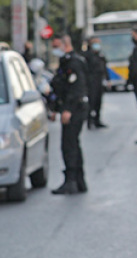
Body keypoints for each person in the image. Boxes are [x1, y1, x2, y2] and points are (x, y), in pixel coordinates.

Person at [48, 33, 90, 194]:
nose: (54, 50)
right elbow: (61, 87)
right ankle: (79, 181)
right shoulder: (66, 62)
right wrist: (55, 108)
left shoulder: (73, 63)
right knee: (73, 144)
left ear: (65, 45)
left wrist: (67, 110)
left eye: (56, 46)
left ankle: (71, 181)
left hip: (75, 109)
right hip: (72, 108)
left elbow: (76, 89)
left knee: (69, 145)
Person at [85, 37, 108, 129]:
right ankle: (90, 121)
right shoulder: (87, 56)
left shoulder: (100, 55)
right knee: (91, 102)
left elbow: (104, 68)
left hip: (99, 81)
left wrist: (107, 79)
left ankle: (97, 120)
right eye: (95, 43)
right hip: (91, 82)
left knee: (98, 101)